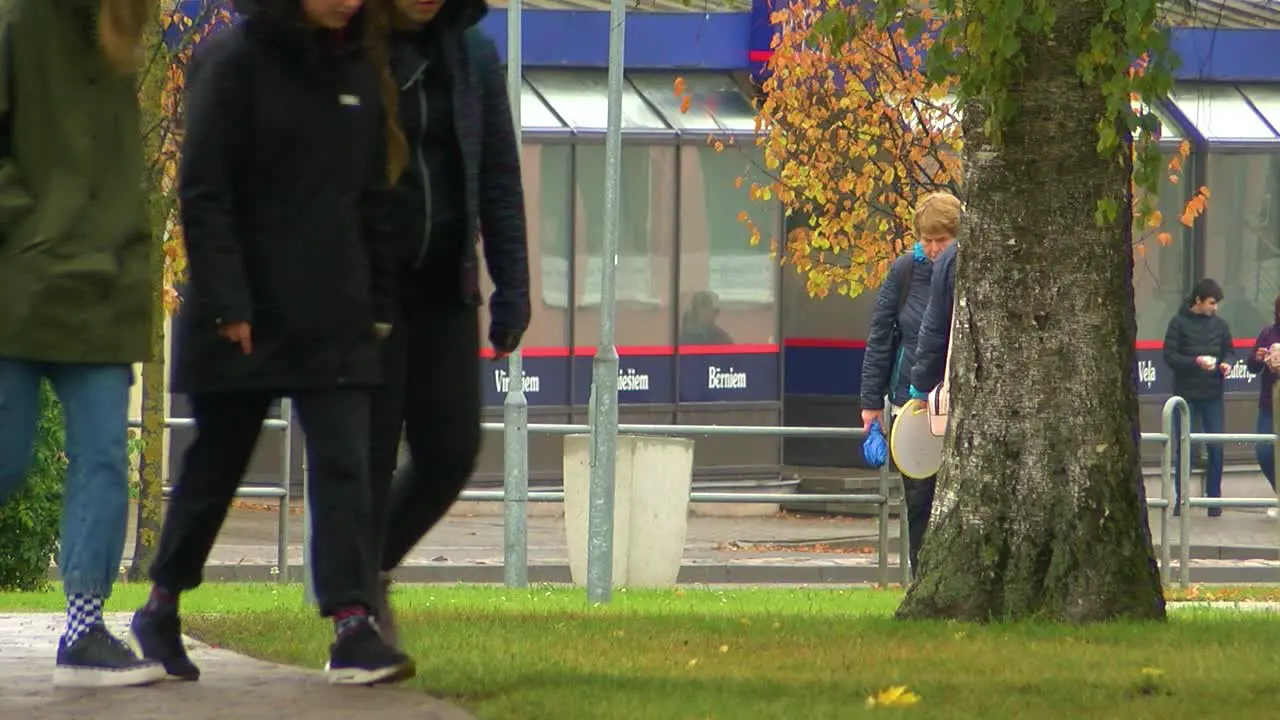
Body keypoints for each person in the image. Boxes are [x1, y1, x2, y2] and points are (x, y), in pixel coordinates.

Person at [129, 0, 415, 685]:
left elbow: (374, 194)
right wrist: (228, 302)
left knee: (345, 466)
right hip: (246, 312)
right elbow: (204, 191)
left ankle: (351, 625)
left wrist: (377, 300)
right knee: (215, 470)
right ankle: (162, 604)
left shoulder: (357, 66)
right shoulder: (233, 62)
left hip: (334, 310)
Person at [0, 0, 168, 688]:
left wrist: (131, 255)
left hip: (102, 292)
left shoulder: (124, 31)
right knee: (6, 458)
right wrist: (34, 225)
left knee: (101, 460)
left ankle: (85, 630)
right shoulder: (20, 24)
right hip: (22, 282)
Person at [365, 0, 529, 647]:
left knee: (452, 450)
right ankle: (357, 609)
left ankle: (364, 570)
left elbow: (499, 178)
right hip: (372, 292)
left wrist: (512, 287)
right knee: (368, 458)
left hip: (446, 291)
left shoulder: (473, 56)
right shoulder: (359, 47)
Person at [860, 192, 960, 577]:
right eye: (927, 240)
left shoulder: (966, 270)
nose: (934, 249)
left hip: (954, 400)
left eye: (942, 240)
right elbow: (881, 336)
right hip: (913, 403)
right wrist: (871, 404)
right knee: (919, 498)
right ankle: (922, 576)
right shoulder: (905, 272)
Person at [1162, 278, 1233, 518]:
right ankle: (1181, 501)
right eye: (1212, 303)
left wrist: (1226, 364)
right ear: (1198, 301)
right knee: (1185, 449)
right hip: (1186, 397)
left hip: (1213, 394)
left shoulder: (1221, 326)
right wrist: (1195, 362)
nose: (1215, 308)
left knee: (1216, 448)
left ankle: (1214, 502)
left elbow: (1229, 350)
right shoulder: (1178, 323)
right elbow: (1170, 356)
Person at [1245, 292, 1279, 515]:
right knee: (1265, 451)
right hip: (1269, 402)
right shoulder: (1268, 333)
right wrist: (1258, 358)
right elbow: (1252, 367)